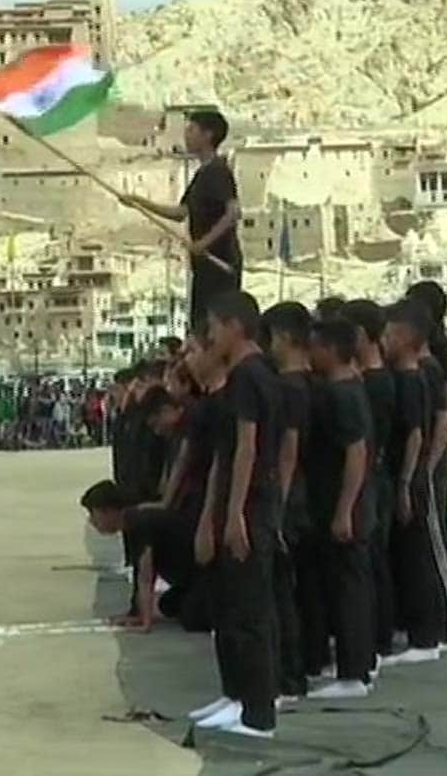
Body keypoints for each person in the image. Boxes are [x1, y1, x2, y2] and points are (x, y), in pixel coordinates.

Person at [190, 291, 281, 739]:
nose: (211, 336)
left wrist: (235, 514)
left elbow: (249, 448)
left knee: (249, 612)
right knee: (230, 608)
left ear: (235, 326)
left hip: (249, 504)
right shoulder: (249, 376)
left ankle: (258, 713)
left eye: (214, 327)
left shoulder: (251, 376)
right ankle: (238, 696)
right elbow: (225, 456)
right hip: (235, 498)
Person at [302, 318, 375, 700]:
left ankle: (354, 673)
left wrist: (344, 509)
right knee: (345, 587)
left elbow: (356, 452)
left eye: (314, 346)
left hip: (345, 507)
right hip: (339, 504)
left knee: (349, 590)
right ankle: (355, 666)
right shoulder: (343, 388)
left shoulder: (343, 394)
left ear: (330, 349)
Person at [119, 110, 241, 327]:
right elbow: (180, 213)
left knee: (214, 327)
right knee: (200, 325)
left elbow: (233, 213)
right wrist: (139, 202)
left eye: (191, 129)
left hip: (221, 263)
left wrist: (204, 243)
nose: (186, 134)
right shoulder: (202, 174)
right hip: (204, 265)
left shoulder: (218, 171)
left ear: (208, 135)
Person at [382, 300, 447, 664]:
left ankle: (431, 635)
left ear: (406, 337)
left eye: (390, 333)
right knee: (410, 556)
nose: (385, 340)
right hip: (410, 474)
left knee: (422, 554)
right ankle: (423, 632)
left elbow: (424, 430)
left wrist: (412, 478)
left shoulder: (419, 374)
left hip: (415, 475)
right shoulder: (413, 373)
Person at [260, 301, 314, 704]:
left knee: (285, 592)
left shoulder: (290, 388)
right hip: (308, 497)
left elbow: (289, 449)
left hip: (292, 500)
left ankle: (291, 675)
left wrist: (277, 502)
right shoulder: (314, 384)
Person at [342, 299, 398, 663]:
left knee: (369, 567)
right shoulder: (368, 379)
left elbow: (363, 444)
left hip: (370, 482)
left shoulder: (375, 384)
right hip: (371, 481)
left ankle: (374, 646)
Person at [82, 480, 209, 632]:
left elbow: (146, 576)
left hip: (204, 575)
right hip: (188, 579)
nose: (93, 521)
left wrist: (145, 622)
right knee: (169, 605)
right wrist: (136, 612)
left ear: (109, 511)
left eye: (94, 513)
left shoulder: (140, 523)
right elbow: (139, 570)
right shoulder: (131, 521)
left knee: (193, 619)